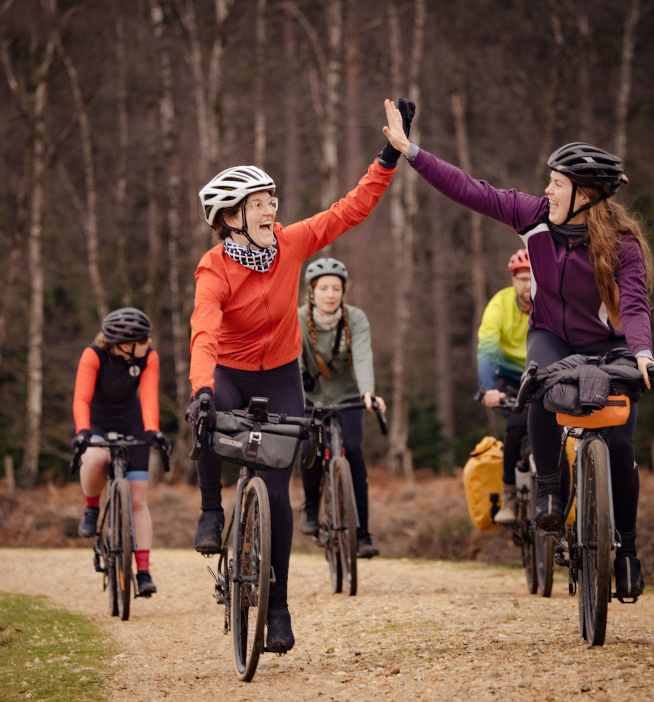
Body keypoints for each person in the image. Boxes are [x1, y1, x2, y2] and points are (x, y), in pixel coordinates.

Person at [382, 107, 654, 600]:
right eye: (550, 182)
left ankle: (628, 553)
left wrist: (643, 355)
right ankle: (551, 489)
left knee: (621, 447)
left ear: (585, 195)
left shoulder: (623, 245)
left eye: (557, 183)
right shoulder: (533, 217)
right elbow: (472, 190)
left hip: (611, 345)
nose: (548, 191)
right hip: (552, 337)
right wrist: (413, 154)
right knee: (539, 382)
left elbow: (636, 306)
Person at [187, 99, 415, 653]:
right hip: (230, 374)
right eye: (259, 204)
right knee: (207, 415)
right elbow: (203, 333)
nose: (271, 210)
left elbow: (350, 210)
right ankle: (212, 511)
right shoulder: (213, 268)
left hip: (283, 375)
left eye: (272, 200)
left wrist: (388, 155)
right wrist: (199, 388)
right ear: (230, 218)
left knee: (277, 493)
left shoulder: (290, 242)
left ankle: (280, 606)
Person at [72, 307, 171, 598]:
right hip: (97, 422)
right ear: (124, 344)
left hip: (132, 423)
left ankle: (143, 572)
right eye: (143, 340)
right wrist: (83, 432)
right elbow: (81, 397)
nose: (149, 343)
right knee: (96, 458)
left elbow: (150, 397)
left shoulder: (148, 357)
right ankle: (91, 507)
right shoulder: (93, 355)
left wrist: (153, 429)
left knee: (138, 500)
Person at [297, 257, 387, 558]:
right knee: (308, 447)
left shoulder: (356, 318)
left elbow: (362, 356)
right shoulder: (296, 319)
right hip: (311, 399)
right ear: (312, 292)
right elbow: (290, 358)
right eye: (323, 288)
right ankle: (310, 507)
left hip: (349, 397)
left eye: (336, 288)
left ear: (344, 291)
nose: (330, 294)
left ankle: (362, 534)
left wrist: (368, 393)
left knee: (354, 453)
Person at [478, 249, 532, 525]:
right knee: (517, 425)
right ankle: (509, 491)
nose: (528, 284)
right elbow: (486, 348)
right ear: (513, 280)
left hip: (544, 374)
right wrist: (488, 387)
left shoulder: (550, 302)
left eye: (532, 278)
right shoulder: (499, 305)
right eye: (522, 279)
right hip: (508, 378)